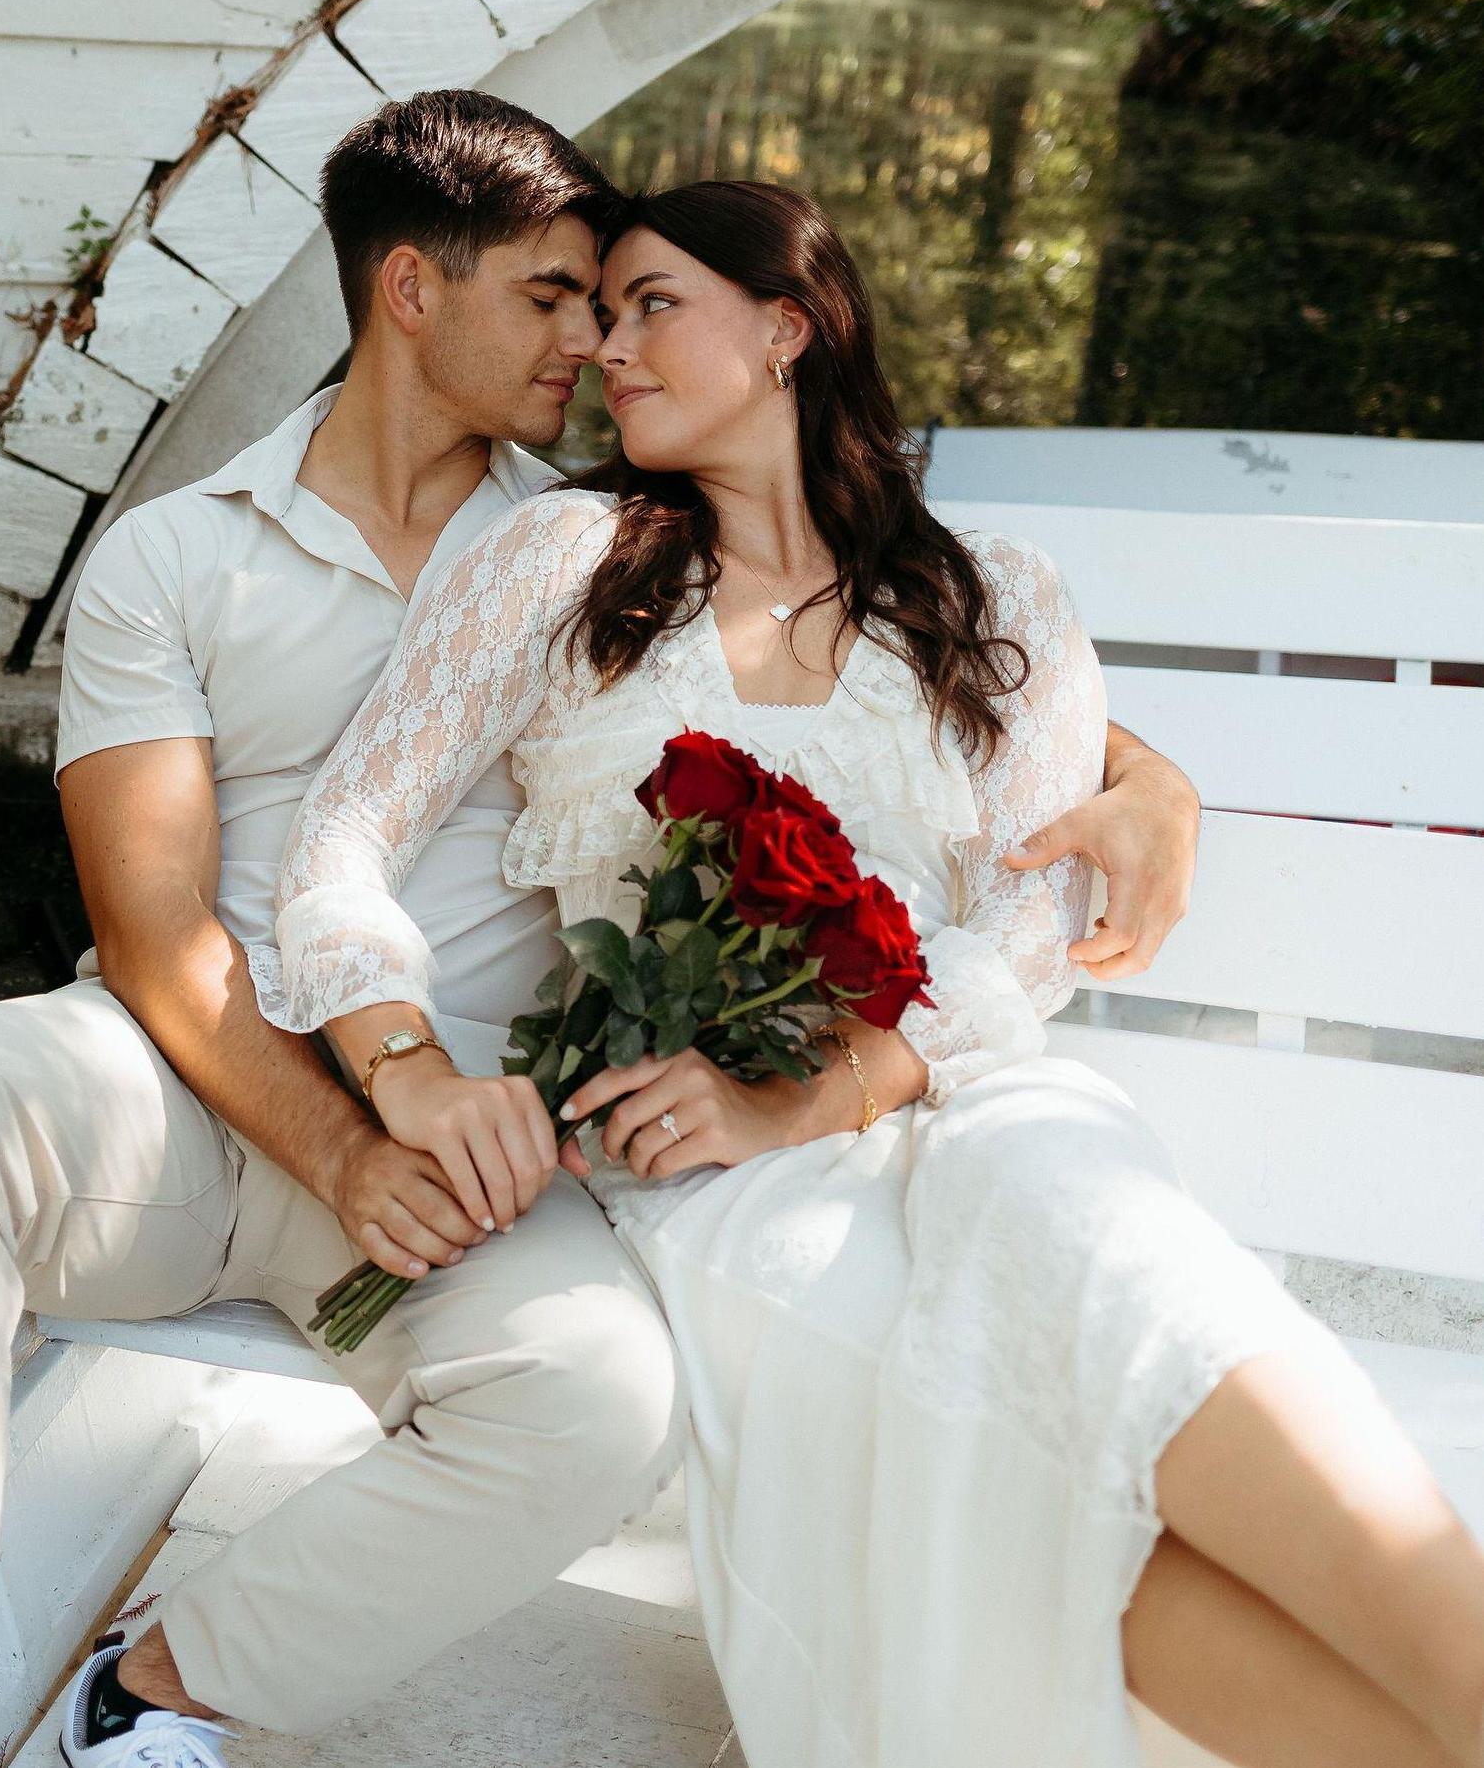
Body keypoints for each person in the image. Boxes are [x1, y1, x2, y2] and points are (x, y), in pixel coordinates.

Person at [0, 99, 1203, 1768]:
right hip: (185, 1085)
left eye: (623, 305)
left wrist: (1150, 781)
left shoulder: (610, 550)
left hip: (492, 1148)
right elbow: (153, 929)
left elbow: (877, 687)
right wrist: (352, 1136)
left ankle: (156, 1694)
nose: (593, 342)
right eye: (557, 297)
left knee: (595, 1396)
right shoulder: (175, 558)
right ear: (409, 288)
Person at [263, 179, 1484, 1768]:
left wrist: (821, 1087)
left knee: (1122, 1271)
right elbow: (342, 831)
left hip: (967, 1099)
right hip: (712, 1180)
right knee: (991, 1485)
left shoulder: (995, 599)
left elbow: (1027, 935)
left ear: (784, 328)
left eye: (648, 304)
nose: (604, 347)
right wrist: (405, 1066)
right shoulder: (561, 563)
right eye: (592, 311)